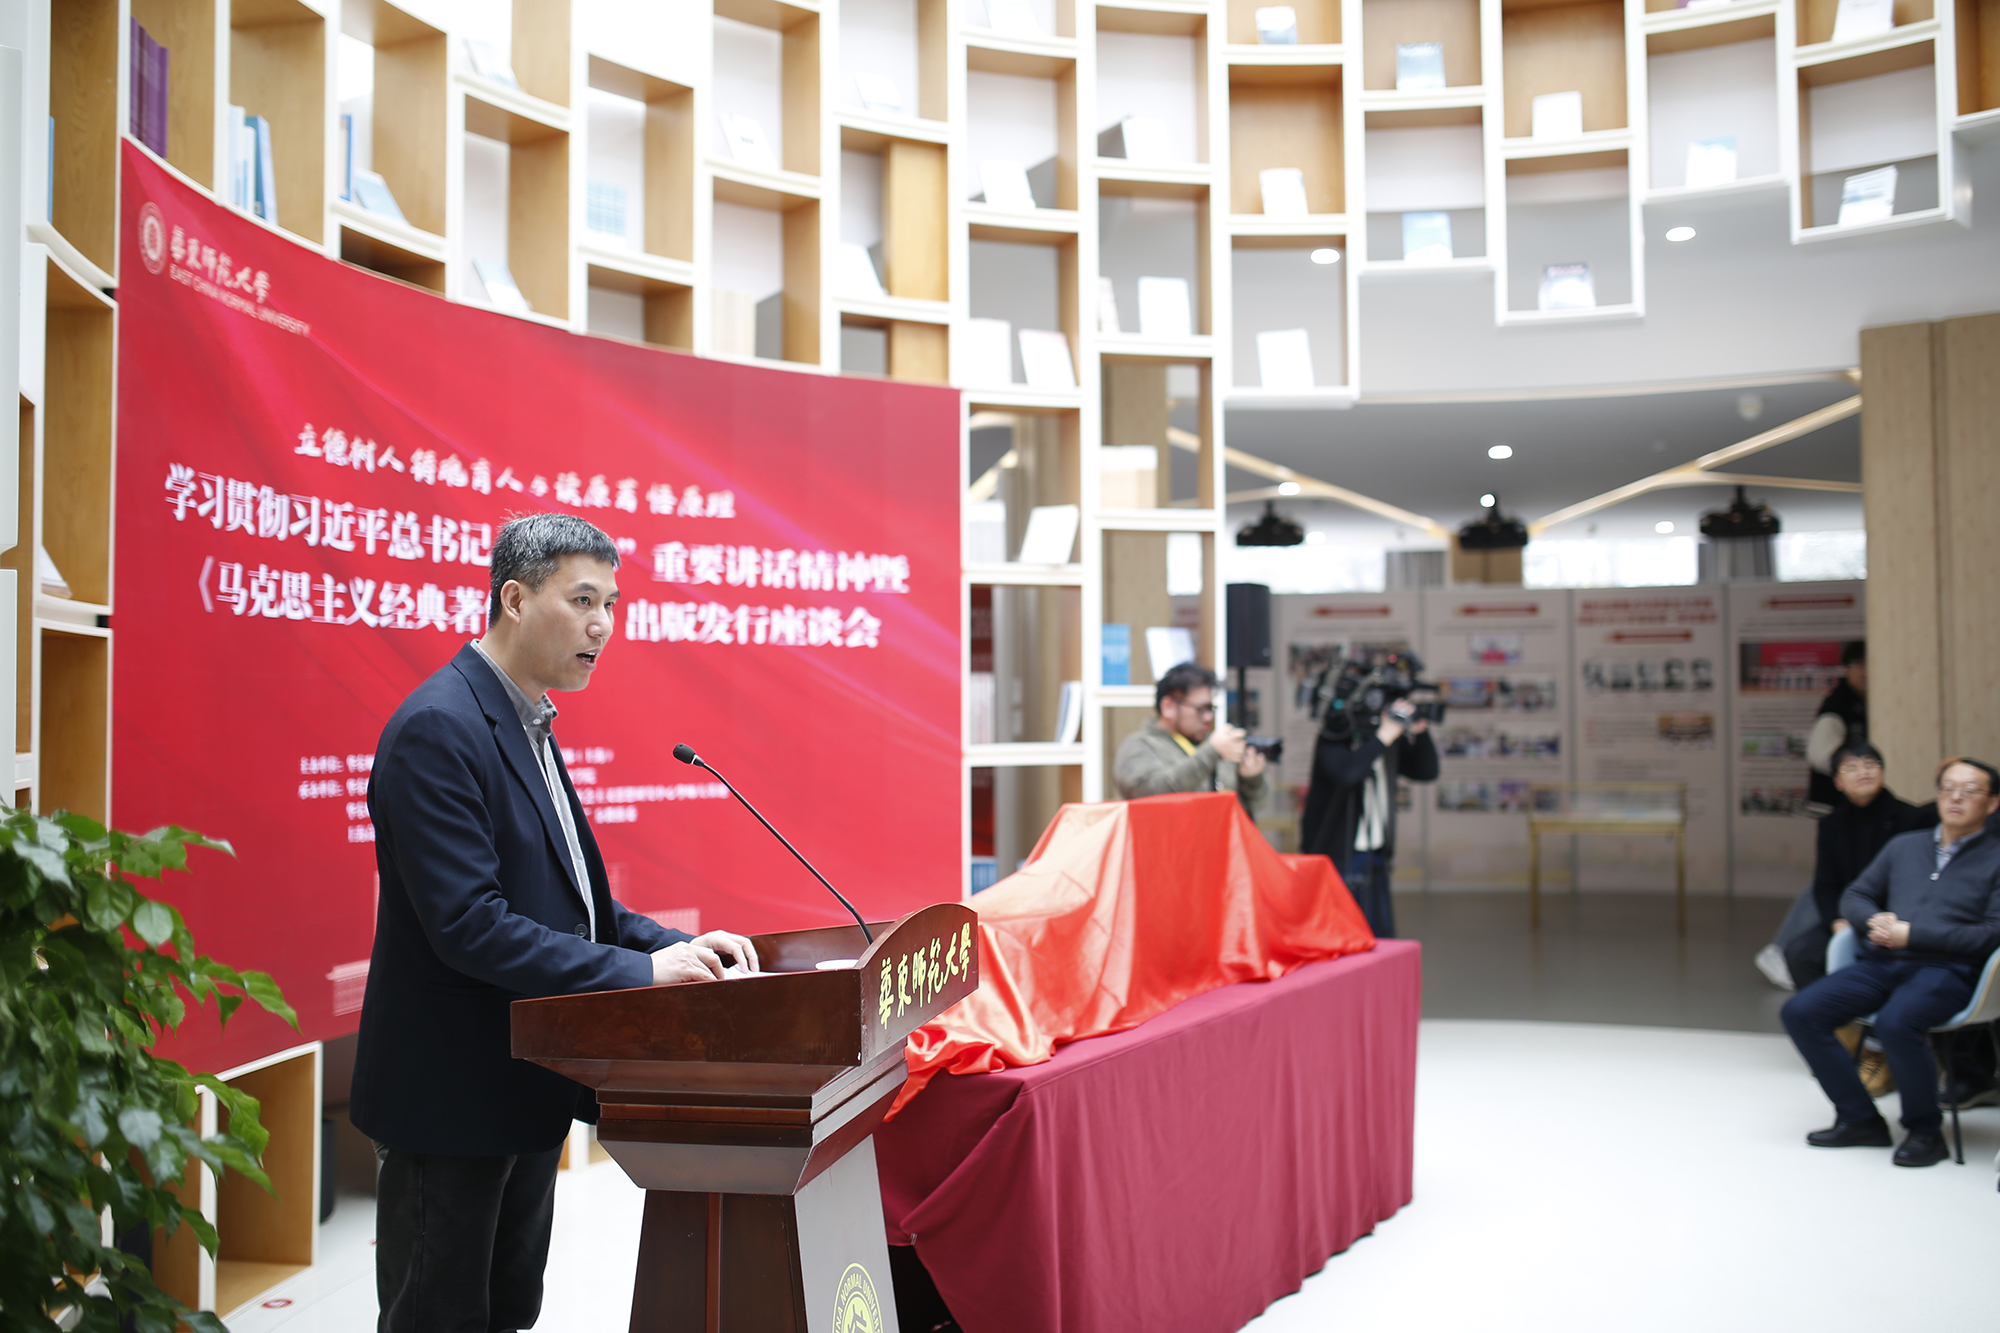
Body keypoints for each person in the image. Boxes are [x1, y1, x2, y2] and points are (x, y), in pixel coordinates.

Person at [350, 513, 763, 1332]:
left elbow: (575, 908)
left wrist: (675, 946)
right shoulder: (441, 727)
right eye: (582, 600)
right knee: (440, 1316)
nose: (602, 624)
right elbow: (470, 925)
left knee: (508, 1309)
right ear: (514, 599)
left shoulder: (526, 719)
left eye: (611, 603)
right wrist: (642, 974)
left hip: (524, 1084)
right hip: (451, 1100)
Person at [1779, 757, 2000, 1167]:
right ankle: (1860, 1119)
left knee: (1896, 1022)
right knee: (1801, 1012)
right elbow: (1856, 895)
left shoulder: (1996, 857)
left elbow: (1991, 933)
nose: (1956, 798)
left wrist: (1912, 934)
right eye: (1948, 788)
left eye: (1970, 791)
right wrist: (1871, 920)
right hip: (1883, 963)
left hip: (1949, 971)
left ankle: (1925, 1132)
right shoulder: (1906, 846)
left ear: (1992, 804)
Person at [1777, 743, 1936, 991]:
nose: (1863, 772)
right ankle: (1835, 1013)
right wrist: (1836, 922)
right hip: (1851, 916)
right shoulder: (1831, 825)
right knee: (1800, 954)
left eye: (1870, 765)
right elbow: (1825, 886)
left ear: (1882, 772)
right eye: (1852, 767)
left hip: (1897, 917)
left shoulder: (1911, 818)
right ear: (1838, 782)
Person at [1298, 695, 1439, 940]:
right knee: (1341, 932)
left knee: (1378, 933)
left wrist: (1420, 732)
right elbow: (1348, 774)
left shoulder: (1386, 743)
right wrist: (1383, 736)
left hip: (1376, 852)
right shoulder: (1333, 737)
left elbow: (1426, 771)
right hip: (1338, 853)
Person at [1113, 661, 1267, 814]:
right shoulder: (1139, 745)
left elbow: (1258, 804)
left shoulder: (1212, 745)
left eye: (1210, 709)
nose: (1208, 717)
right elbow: (1150, 795)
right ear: (1168, 707)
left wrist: (1251, 779)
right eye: (1200, 709)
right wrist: (1211, 753)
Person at [1805, 643, 1866, 813]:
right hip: (1834, 802)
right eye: (1859, 665)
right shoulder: (1837, 705)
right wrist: (1859, 771)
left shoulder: (1869, 702)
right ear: (1846, 669)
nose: (1865, 672)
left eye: (1871, 664)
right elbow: (1821, 756)